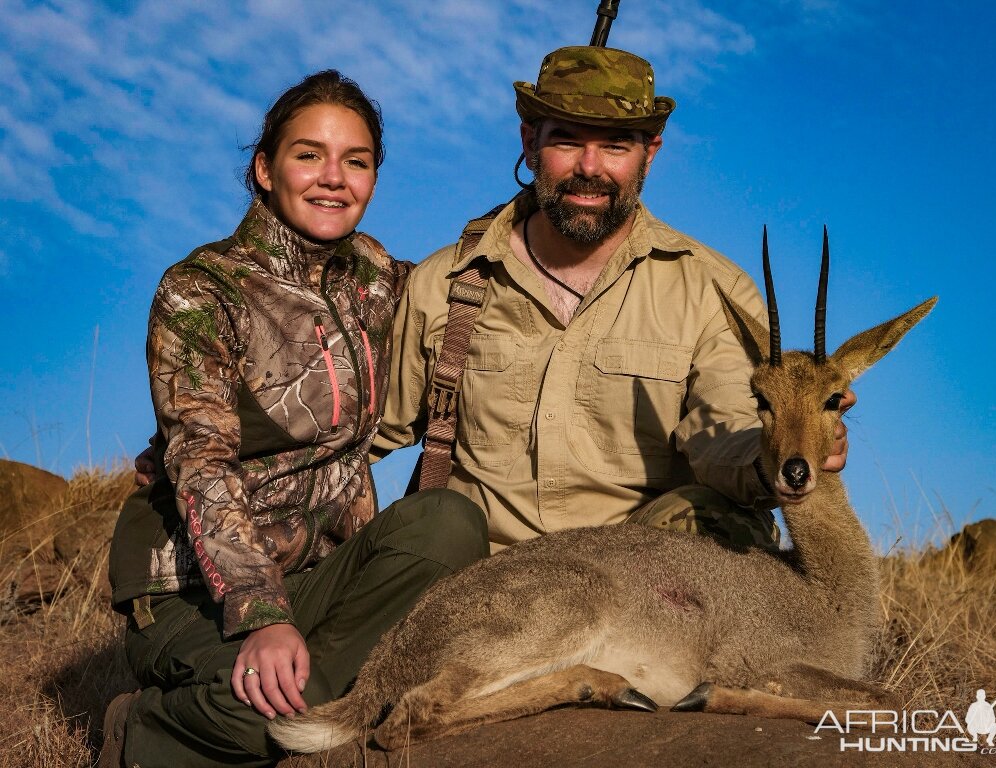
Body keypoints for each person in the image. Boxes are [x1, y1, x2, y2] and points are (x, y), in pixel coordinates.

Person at [102, 70, 488, 768]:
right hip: (192, 589)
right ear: (263, 169)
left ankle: (314, 689)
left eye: (357, 160)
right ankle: (142, 729)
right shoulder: (200, 289)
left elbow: (471, 275)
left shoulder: (377, 277)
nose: (333, 178)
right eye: (308, 154)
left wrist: (557, 175)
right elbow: (202, 462)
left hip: (317, 575)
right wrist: (264, 616)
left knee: (449, 522)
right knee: (266, 724)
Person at [371, 45, 854, 552]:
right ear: (529, 142)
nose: (589, 167)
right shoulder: (446, 284)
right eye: (567, 140)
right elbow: (358, 439)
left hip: (634, 589)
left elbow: (726, 423)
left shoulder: (713, 292)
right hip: (479, 586)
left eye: (617, 146)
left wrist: (783, 448)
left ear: (652, 152)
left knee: (712, 520)